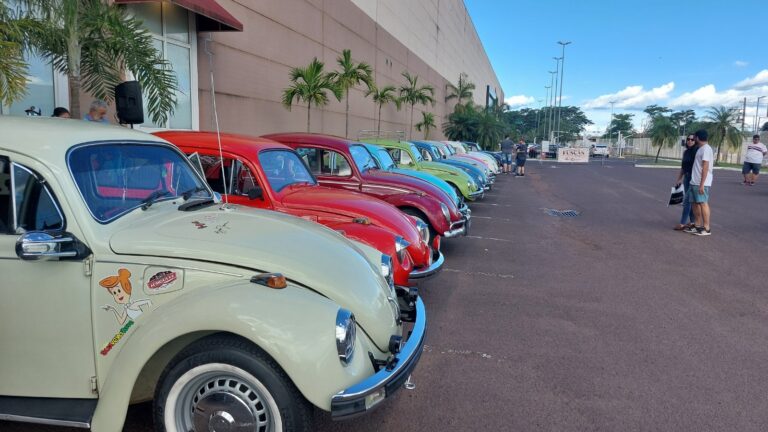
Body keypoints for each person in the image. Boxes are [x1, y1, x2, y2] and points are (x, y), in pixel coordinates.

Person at [684, 129, 714, 236]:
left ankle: (706, 228)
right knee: (695, 203)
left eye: (694, 137)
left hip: (701, 183)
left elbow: (705, 167)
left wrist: (702, 184)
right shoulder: (700, 149)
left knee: (703, 203)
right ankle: (697, 225)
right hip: (694, 181)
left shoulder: (706, 149)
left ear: (697, 137)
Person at [673, 134, 698, 230]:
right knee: (689, 201)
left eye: (692, 139)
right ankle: (692, 222)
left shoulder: (697, 151)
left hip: (694, 178)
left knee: (687, 201)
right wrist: (679, 179)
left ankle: (682, 223)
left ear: (695, 141)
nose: (690, 141)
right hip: (687, 177)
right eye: (688, 139)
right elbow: (683, 167)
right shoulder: (686, 152)